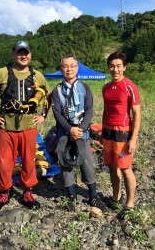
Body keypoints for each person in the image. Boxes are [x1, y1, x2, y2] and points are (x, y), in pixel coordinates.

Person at [0, 41, 50, 212]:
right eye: (19, 53)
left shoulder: (37, 75)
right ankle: (4, 191)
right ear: (13, 55)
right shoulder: (2, 73)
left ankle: (27, 192)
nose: (23, 56)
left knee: (28, 161)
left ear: (30, 56)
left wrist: (43, 115)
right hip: (6, 129)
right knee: (4, 163)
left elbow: (48, 95)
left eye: (26, 53)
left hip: (29, 128)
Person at [51, 54, 99, 211]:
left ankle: (92, 196)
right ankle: (71, 197)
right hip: (64, 133)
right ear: (61, 69)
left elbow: (90, 110)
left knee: (87, 165)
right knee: (66, 165)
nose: (69, 69)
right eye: (65, 66)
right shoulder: (57, 90)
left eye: (72, 66)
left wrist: (82, 128)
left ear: (77, 68)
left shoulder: (84, 88)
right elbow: (57, 113)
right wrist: (69, 129)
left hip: (82, 133)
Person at [102, 51, 140, 217]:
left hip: (123, 131)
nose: (115, 69)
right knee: (111, 166)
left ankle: (130, 204)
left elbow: (136, 114)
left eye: (118, 66)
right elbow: (106, 110)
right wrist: (102, 131)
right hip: (108, 131)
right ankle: (116, 197)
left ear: (124, 67)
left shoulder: (129, 86)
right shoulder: (106, 87)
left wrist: (133, 139)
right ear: (108, 68)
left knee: (125, 168)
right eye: (112, 66)